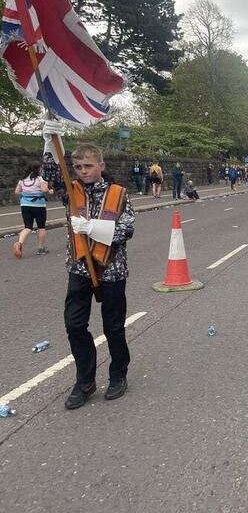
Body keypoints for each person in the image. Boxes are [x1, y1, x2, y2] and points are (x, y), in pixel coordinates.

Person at [40, 127, 136, 410]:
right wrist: (49, 141)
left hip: (112, 269)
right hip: (80, 268)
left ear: (101, 166)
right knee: (74, 324)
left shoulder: (119, 193)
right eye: (78, 166)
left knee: (114, 327)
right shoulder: (71, 190)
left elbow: (127, 229)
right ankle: (85, 381)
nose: (83, 171)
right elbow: (50, 175)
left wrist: (94, 227)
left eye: (88, 166)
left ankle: (118, 375)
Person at [13, 162, 53, 257]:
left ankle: (19, 243)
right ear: (39, 169)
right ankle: (41, 248)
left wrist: (27, 193)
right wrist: (49, 190)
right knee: (41, 227)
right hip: (39, 206)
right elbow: (44, 190)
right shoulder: (39, 179)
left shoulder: (22, 180)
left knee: (28, 227)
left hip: (25, 205)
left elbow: (17, 191)